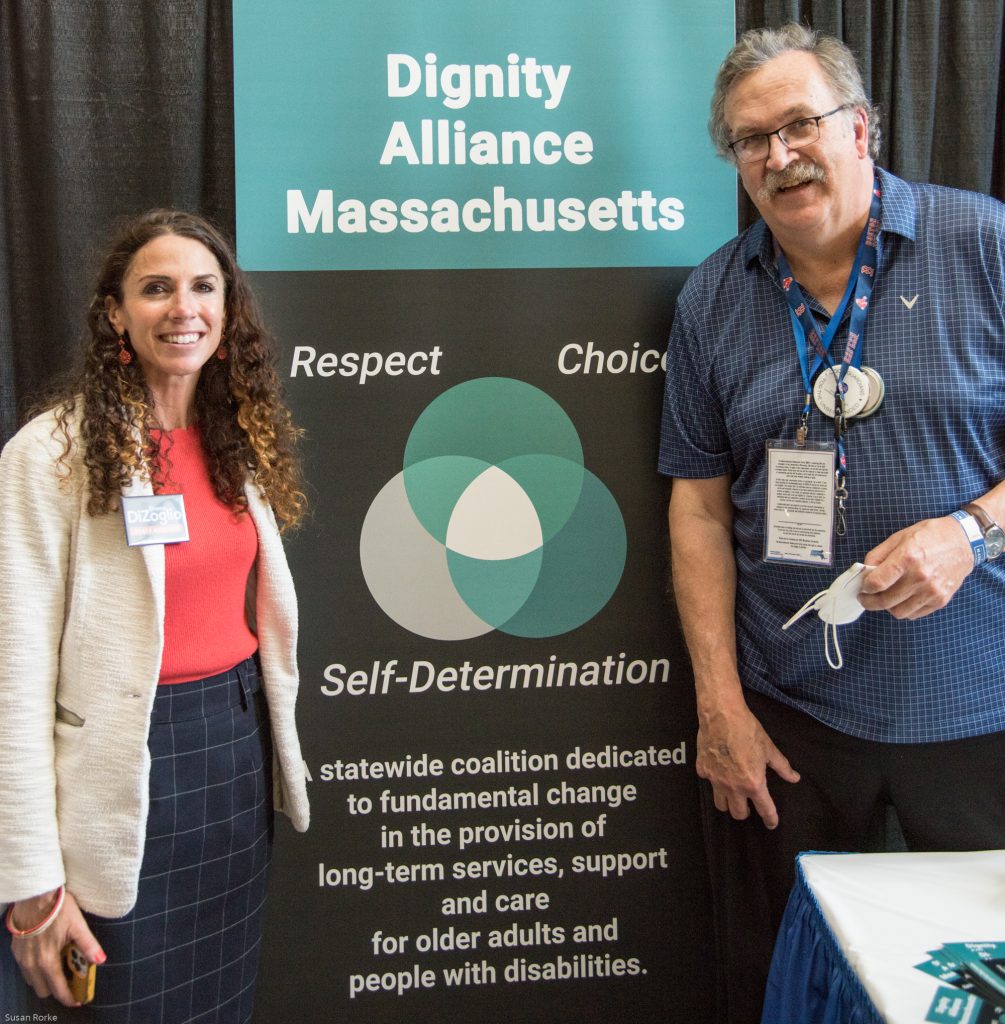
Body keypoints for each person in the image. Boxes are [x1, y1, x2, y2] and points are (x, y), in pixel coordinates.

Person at [658, 23, 1005, 1024]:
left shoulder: (981, 244)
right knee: (797, 988)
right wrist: (720, 705)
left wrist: (971, 532)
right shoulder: (715, 297)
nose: (778, 156)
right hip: (795, 727)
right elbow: (696, 502)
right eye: (749, 140)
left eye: (800, 124)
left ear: (862, 126)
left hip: (978, 711)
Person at [0, 209, 311, 1020]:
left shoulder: (235, 440)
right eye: (157, 288)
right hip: (122, 772)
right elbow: (14, 677)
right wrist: (31, 885)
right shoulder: (49, 456)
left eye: (204, 287)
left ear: (228, 309)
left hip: (234, 757)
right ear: (115, 312)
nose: (185, 308)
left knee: (221, 1005)